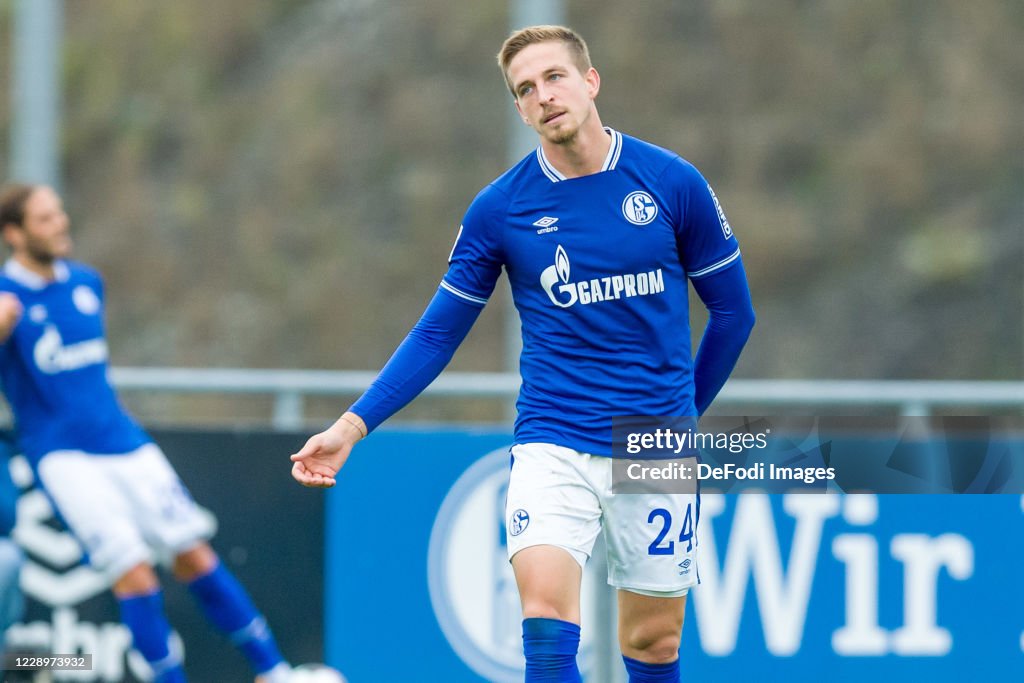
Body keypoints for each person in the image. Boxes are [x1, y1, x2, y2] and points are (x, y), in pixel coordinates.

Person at [291, 25, 755, 683]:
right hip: (553, 437)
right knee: (545, 622)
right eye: (526, 89)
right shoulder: (501, 209)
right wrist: (350, 424)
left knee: (653, 642)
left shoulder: (672, 183)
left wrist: (679, 417)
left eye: (555, 77)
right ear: (519, 108)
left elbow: (735, 314)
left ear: (590, 82)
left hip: (655, 442)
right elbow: (436, 332)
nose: (544, 95)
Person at [0, 183, 293, 683]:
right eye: (45, 219)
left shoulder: (88, 283)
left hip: (124, 442)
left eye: (60, 213)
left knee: (194, 554)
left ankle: (276, 672)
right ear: (14, 233)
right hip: (62, 457)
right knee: (133, 569)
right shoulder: (7, 301)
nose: (61, 224)